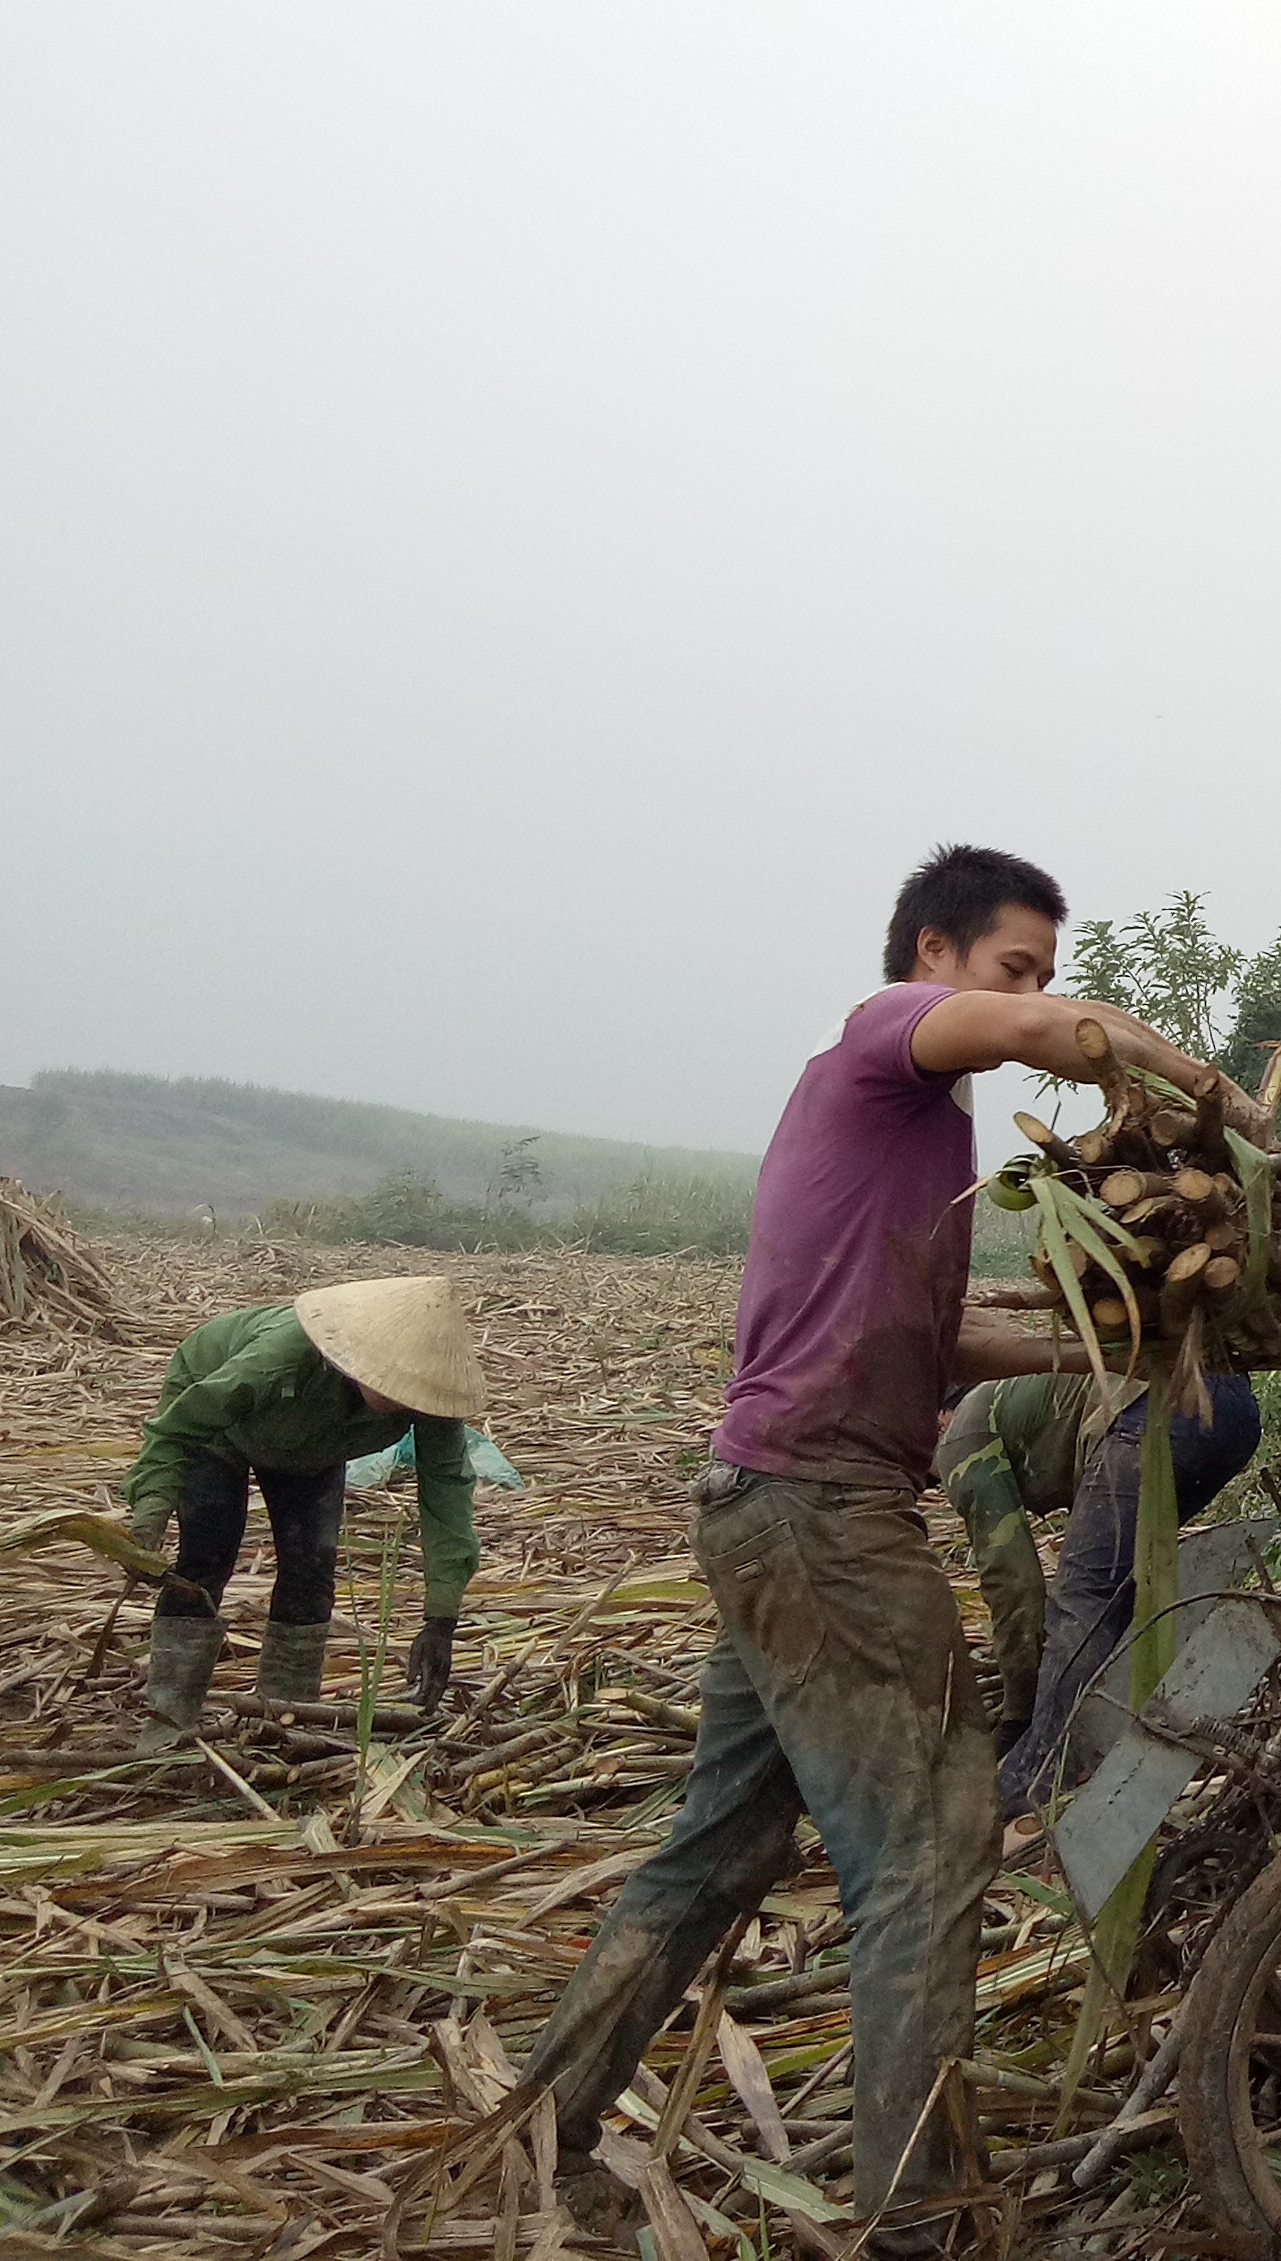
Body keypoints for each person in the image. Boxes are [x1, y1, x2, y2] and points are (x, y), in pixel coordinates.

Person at [516, 843, 1229, 2246]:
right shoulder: (880, 1038)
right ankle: (922, 2224)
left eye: (1041, 970)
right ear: (931, 956)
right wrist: (1205, 1094)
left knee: (719, 1847)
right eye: (1012, 965)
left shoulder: (918, 1145)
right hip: (823, 1517)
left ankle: (546, 2125)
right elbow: (1046, 1034)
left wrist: (1120, 1343)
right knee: (935, 1841)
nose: (1033, 995)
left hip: (776, 1509)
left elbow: (941, 1341)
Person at [121, 1276, 487, 1729]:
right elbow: (178, 1429)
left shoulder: (430, 1398)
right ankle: (169, 1716)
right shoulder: (280, 1358)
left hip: (312, 1450)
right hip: (218, 1427)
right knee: (206, 1555)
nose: (399, 1397)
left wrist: (441, 1619)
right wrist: (149, 1516)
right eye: (390, 1382)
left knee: (311, 1570)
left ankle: (286, 1719)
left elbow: (447, 1493)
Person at [937, 1366, 1262, 1815]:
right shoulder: (1009, 1399)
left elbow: (1015, 1586)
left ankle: (1043, 1774)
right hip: (1232, 1410)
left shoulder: (958, 1439)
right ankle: (1114, 1746)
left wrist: (1020, 1717)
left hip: (1158, 1411)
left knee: (1082, 1601)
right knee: (1124, 1594)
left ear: (937, 1418)